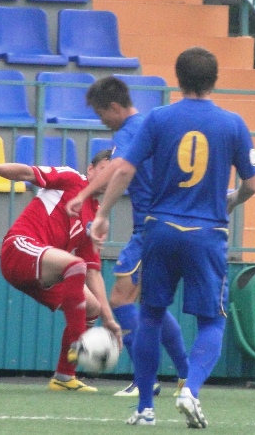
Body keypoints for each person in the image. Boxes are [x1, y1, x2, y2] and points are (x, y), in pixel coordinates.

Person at [90, 47, 255, 427]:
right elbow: (251, 184)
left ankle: (145, 409)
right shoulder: (232, 123)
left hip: (160, 228)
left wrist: (101, 216)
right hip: (207, 232)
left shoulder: (158, 119)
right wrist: (230, 200)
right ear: (214, 80)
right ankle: (191, 388)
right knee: (212, 322)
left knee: (150, 315)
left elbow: (123, 171)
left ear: (178, 79)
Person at [66, 76, 189, 398]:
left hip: (148, 227)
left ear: (115, 107)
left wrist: (87, 197)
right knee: (153, 306)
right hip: (172, 222)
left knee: (121, 299)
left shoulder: (130, 131)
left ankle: (145, 380)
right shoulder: (153, 124)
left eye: (101, 114)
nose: (101, 121)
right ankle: (186, 375)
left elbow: (120, 167)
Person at [0, 150, 122, 392]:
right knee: (74, 265)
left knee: (93, 307)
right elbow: (27, 172)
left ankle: (64, 377)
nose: (109, 178)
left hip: (46, 271)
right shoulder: (71, 179)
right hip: (19, 249)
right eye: (105, 169)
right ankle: (79, 343)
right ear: (91, 170)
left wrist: (109, 320)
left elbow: (93, 271)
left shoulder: (96, 217)